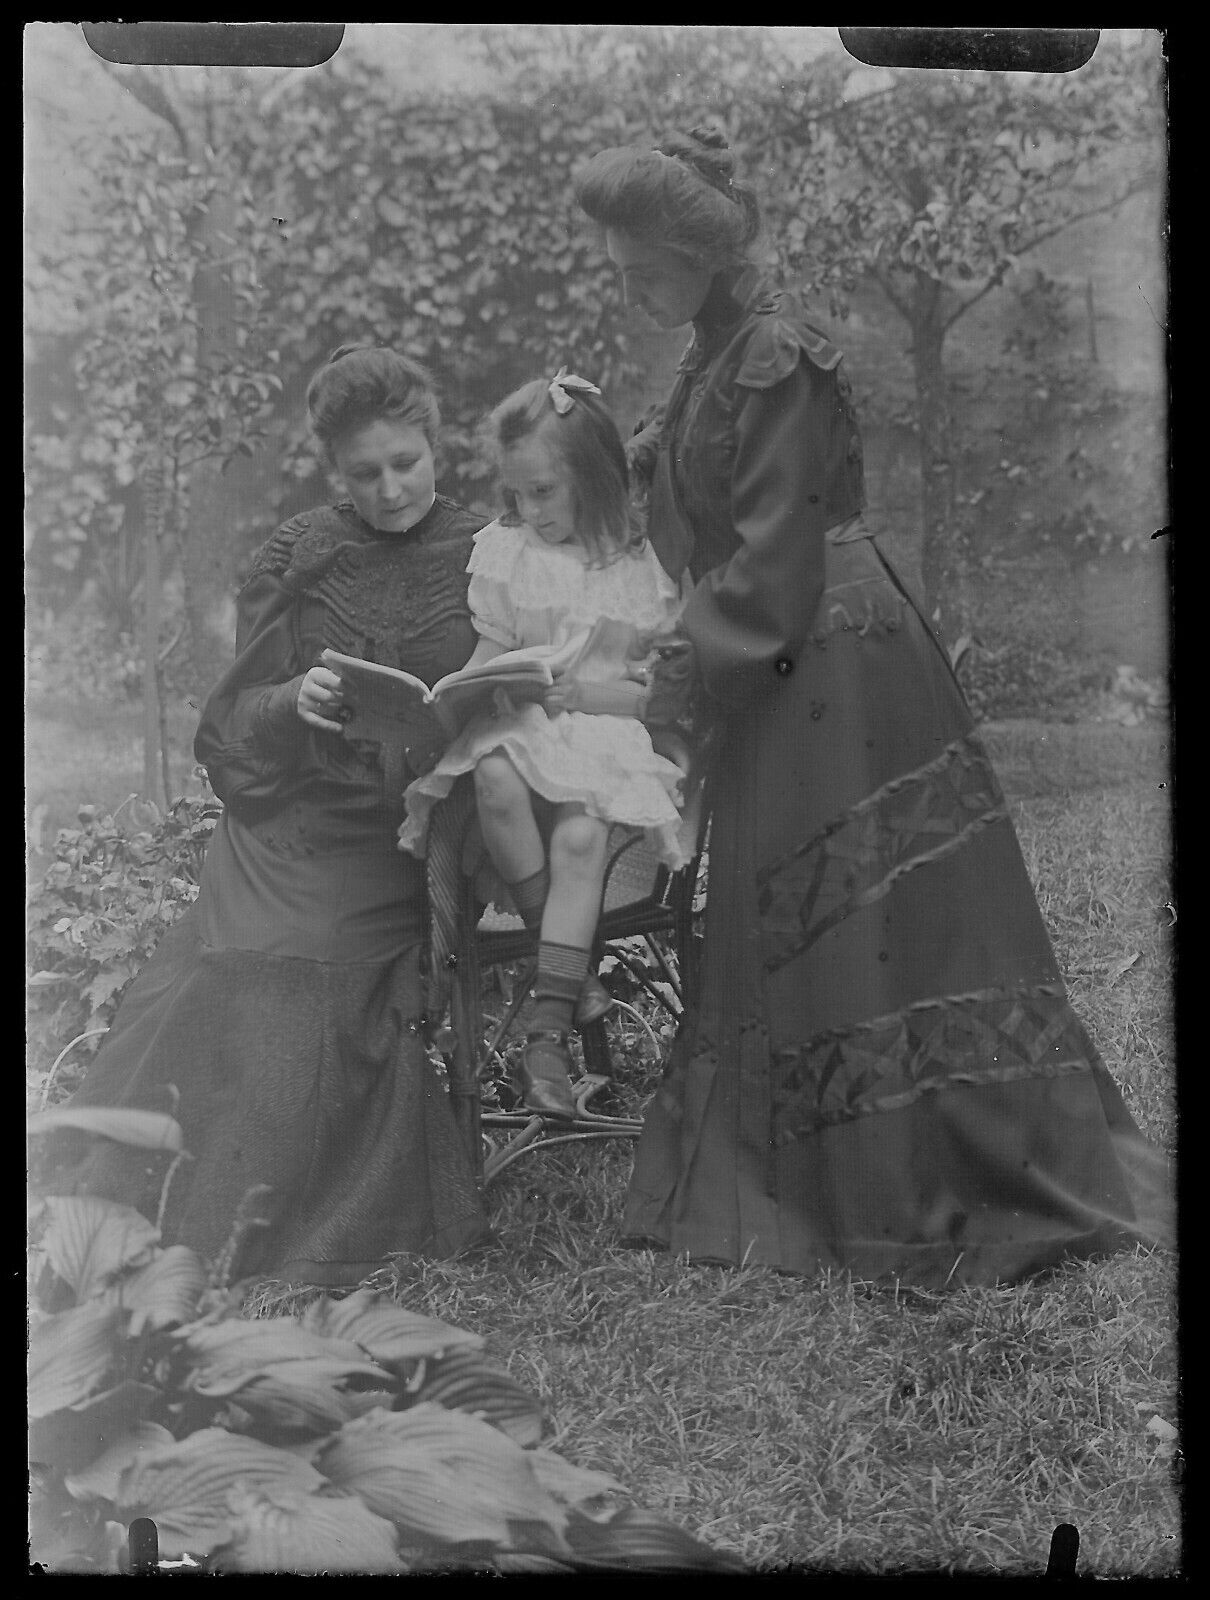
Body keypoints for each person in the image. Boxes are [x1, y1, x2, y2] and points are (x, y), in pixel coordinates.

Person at [573, 127, 1171, 1286]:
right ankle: (813, 1166)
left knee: (860, 925)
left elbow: (775, 558)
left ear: (699, 251)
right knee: (802, 921)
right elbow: (689, 500)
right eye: (617, 266)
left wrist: (673, 675)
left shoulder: (772, 357)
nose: (627, 286)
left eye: (641, 264)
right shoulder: (715, 351)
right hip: (792, 662)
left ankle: (905, 1174)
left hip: (830, 660)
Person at [37, 347, 491, 1287]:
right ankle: (148, 1212)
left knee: (308, 983)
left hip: (406, 833)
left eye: (406, 463)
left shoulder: (490, 551)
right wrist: (293, 703)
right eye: (364, 475)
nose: (391, 488)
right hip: (291, 819)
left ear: (436, 446)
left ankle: (265, 1221)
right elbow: (230, 723)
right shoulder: (301, 556)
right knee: (225, 966)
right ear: (335, 474)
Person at [398, 369, 686, 1120]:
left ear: (592, 479)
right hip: (521, 733)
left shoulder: (632, 569)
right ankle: (563, 964)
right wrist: (451, 697)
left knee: (585, 836)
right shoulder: (509, 549)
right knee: (492, 771)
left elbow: (653, 693)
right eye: (518, 494)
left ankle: (548, 1026)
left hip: (599, 739)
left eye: (545, 493)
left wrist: (582, 694)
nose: (529, 510)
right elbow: (491, 645)